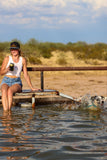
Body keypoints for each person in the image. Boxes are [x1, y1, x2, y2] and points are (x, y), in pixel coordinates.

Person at [0, 41, 40, 111]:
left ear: (19, 49)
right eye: (12, 49)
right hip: (6, 80)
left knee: (10, 91)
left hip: (16, 81)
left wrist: (32, 87)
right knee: (3, 90)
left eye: (15, 49)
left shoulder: (23, 60)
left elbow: (25, 74)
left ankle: (9, 112)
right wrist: (7, 70)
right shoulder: (7, 58)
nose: (13, 51)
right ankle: (6, 112)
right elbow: (1, 73)